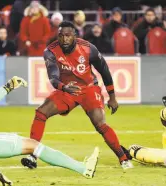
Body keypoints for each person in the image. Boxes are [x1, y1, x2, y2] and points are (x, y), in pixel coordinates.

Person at [21, 21, 133, 170]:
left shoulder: (88, 49)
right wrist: (64, 87)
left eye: (68, 35)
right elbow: (53, 77)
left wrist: (112, 96)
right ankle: (32, 155)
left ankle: (123, 158)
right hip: (67, 90)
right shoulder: (50, 51)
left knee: (100, 124)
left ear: (74, 35)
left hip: (89, 89)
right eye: (61, 36)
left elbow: (104, 71)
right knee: (41, 112)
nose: (64, 39)